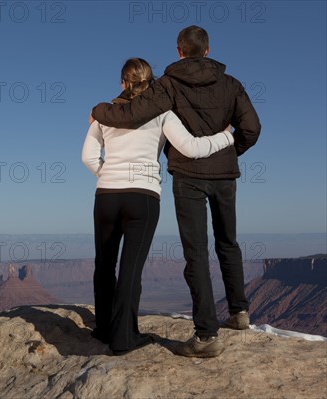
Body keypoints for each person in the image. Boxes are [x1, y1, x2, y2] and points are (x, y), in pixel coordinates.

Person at [90, 26, 261, 358]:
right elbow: (251, 128)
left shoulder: (168, 85)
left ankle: (206, 335)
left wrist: (98, 111)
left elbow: (132, 113)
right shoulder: (231, 84)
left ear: (180, 51)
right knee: (228, 241)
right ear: (208, 51)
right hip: (224, 174)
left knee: (196, 252)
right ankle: (239, 312)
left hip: (187, 176)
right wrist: (230, 150)